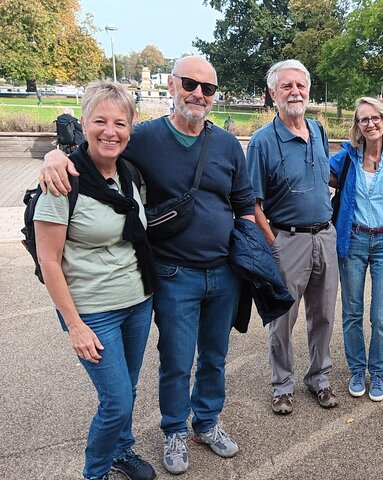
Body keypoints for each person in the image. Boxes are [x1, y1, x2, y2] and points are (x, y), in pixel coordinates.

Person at [39, 56, 256, 474]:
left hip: (223, 272)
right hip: (173, 274)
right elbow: (98, 141)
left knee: (214, 355)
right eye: (191, 84)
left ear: (215, 96)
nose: (198, 94)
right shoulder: (143, 137)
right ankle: (174, 429)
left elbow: (243, 202)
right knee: (176, 359)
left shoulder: (227, 143)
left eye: (208, 89)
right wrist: (54, 156)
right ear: (173, 85)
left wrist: (250, 252)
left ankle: (206, 423)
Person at [34, 80, 157, 480]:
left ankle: (122, 451)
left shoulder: (129, 174)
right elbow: (49, 260)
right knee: (117, 401)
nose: (110, 131)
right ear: (84, 123)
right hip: (92, 312)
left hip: (137, 300)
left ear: (130, 129)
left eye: (120, 123)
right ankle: (96, 472)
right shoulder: (61, 182)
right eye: (100, 121)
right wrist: (74, 326)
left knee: (128, 390)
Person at [246, 59, 339, 415]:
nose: (294, 92)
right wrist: (273, 243)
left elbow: (325, 175)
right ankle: (282, 384)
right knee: (283, 318)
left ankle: (319, 377)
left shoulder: (318, 130)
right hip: (287, 240)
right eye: (286, 86)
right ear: (272, 93)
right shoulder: (262, 141)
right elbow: (253, 203)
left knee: (324, 315)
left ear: (308, 90)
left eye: (300, 85)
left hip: (324, 237)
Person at [329, 97, 383, 402]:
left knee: (381, 315)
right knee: (352, 311)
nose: (370, 123)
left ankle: (377, 372)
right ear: (357, 126)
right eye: (363, 119)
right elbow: (316, 172)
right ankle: (357, 369)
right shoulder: (346, 158)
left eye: (375, 117)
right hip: (353, 240)